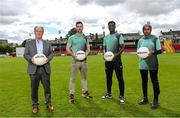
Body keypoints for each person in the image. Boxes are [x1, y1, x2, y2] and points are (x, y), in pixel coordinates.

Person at [24, 26, 54, 113]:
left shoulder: (47, 43)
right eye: (37, 31)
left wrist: (48, 59)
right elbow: (25, 54)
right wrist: (31, 59)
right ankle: (35, 105)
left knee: (47, 87)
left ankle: (48, 103)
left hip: (45, 68)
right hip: (33, 68)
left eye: (40, 31)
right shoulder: (29, 43)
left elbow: (51, 54)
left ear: (43, 32)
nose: (39, 33)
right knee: (34, 88)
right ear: (34, 32)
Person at [66, 21, 92, 104]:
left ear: (83, 27)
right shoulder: (72, 37)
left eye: (81, 26)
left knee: (84, 78)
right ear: (76, 27)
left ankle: (85, 92)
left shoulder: (85, 38)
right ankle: (71, 95)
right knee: (73, 79)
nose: (79, 28)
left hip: (84, 61)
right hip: (75, 61)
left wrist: (86, 53)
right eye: (78, 26)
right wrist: (73, 55)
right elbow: (67, 48)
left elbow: (88, 49)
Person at [137, 24, 162, 109]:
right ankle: (145, 98)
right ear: (143, 30)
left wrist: (153, 52)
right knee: (144, 82)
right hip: (142, 64)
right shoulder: (140, 40)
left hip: (153, 64)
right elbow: (139, 52)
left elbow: (159, 51)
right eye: (144, 29)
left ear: (150, 30)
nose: (146, 31)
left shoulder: (155, 38)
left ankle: (155, 100)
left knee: (154, 81)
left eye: (148, 29)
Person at [102, 21, 125, 104]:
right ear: (108, 27)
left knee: (120, 79)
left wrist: (115, 55)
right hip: (108, 62)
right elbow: (104, 48)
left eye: (112, 25)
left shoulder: (119, 36)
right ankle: (109, 94)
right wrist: (104, 54)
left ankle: (122, 96)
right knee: (108, 78)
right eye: (110, 25)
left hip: (117, 61)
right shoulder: (106, 37)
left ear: (115, 26)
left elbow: (122, 47)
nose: (111, 27)